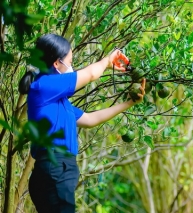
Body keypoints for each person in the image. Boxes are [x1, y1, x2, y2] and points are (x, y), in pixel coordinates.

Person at [19, 34, 146, 213]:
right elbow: (92, 74)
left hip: (56, 170)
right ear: (56, 63)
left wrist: (129, 103)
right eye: (70, 61)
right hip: (56, 169)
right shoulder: (44, 86)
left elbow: (90, 119)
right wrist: (108, 61)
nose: (72, 66)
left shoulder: (59, 101)